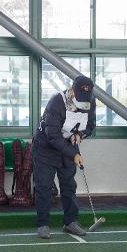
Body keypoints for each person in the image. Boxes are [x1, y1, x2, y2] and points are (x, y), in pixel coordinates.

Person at [32, 75, 96, 239]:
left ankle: (70, 222)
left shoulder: (90, 101)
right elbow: (52, 135)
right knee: (44, 187)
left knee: (69, 186)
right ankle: (43, 224)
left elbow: (90, 126)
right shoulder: (57, 102)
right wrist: (73, 153)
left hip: (68, 147)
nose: (83, 102)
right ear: (72, 90)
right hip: (45, 148)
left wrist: (80, 135)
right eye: (80, 98)